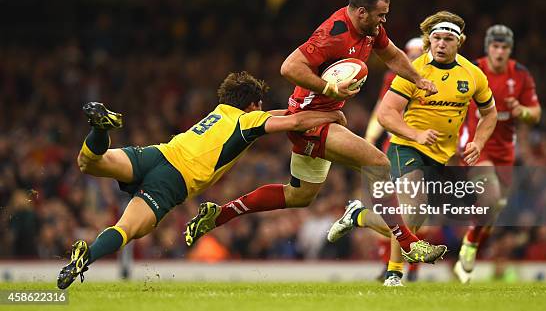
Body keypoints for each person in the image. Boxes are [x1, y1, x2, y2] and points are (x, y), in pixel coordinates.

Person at [184, 0, 448, 264]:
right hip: (308, 121)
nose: (384, 20)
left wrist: (418, 80)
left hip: (322, 117)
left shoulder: (371, 29)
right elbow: (289, 67)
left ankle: (219, 214)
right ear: (361, 12)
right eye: (381, 15)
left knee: (299, 195)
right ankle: (408, 243)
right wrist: (330, 90)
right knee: (378, 163)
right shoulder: (332, 34)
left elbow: (393, 55)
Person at [56, 71, 346, 289]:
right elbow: (292, 122)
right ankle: (88, 255)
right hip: (173, 180)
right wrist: (333, 114)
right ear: (254, 104)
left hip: (158, 154)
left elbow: (282, 114)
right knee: (126, 229)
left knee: (89, 162)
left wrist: (308, 113)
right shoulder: (248, 121)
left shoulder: (221, 111)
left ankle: (100, 128)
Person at [326, 11, 498, 286]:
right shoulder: (413, 71)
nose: (441, 44)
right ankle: (394, 274)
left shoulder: (473, 74)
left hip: (442, 155)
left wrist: (478, 142)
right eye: (436, 38)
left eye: (447, 39)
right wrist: (415, 134)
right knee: (413, 210)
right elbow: (385, 114)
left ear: (459, 42)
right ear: (429, 41)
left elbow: (490, 113)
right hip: (406, 147)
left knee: (418, 222)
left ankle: (359, 216)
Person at [453, 24, 541, 283]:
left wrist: (521, 111)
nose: (499, 52)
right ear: (487, 48)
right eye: (495, 46)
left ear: (510, 50)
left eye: (504, 47)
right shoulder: (472, 70)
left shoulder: (521, 75)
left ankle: (469, 246)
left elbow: (535, 113)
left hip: (505, 151)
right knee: (489, 198)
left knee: (493, 210)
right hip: (477, 146)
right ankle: (469, 244)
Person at [363, 37, 425, 285]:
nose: (412, 58)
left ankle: (409, 269)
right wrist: (369, 138)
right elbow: (382, 109)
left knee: (416, 212)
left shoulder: (434, 80)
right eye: (410, 53)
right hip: (396, 147)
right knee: (393, 207)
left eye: (418, 52)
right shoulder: (394, 79)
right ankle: (389, 266)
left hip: (424, 148)